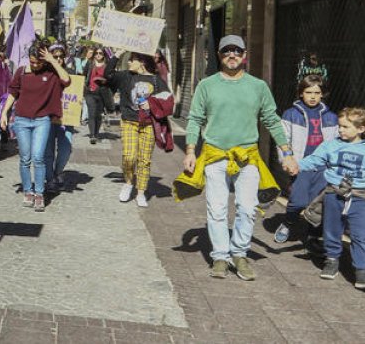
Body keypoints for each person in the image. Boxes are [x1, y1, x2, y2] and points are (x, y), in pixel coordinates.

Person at [179, 35, 299, 282]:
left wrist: (286, 153)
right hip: (214, 156)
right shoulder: (206, 85)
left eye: (236, 51)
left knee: (247, 209)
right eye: (226, 51)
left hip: (248, 157)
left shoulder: (258, 86)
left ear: (244, 55)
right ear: (220, 56)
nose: (231, 55)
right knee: (217, 209)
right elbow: (194, 120)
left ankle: (240, 253)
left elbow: (272, 120)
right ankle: (220, 256)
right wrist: (191, 151)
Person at [298, 107, 365, 288]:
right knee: (331, 229)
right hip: (334, 194)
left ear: (361, 129)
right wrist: (295, 165)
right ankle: (331, 260)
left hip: (360, 198)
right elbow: (315, 160)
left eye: (345, 127)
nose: (340, 130)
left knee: (360, 234)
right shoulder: (330, 145)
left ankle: (362, 270)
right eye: (339, 126)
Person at [0, 40, 70, 212]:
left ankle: (39, 193)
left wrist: (52, 60)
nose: (35, 65)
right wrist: (4, 112)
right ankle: (27, 190)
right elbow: (13, 93)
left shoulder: (51, 72)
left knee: (38, 157)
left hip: (42, 121)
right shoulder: (21, 72)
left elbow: (66, 80)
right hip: (22, 120)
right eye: (32, 61)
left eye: (38, 62)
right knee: (25, 158)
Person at [274, 74, 339, 245]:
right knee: (298, 200)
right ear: (301, 93)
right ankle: (288, 222)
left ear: (322, 94)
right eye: (308, 92)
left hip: (323, 167)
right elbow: (283, 140)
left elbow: (337, 142)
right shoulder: (290, 114)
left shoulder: (331, 117)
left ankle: (313, 235)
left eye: (317, 93)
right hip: (300, 164)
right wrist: (287, 161)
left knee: (318, 202)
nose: (312, 96)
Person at [106, 52, 174, 207]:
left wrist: (152, 104)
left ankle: (141, 192)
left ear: (142, 61)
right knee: (129, 156)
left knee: (144, 160)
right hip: (129, 122)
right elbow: (108, 74)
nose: (129, 62)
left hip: (148, 124)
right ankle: (129, 183)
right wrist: (117, 54)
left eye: (132, 60)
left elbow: (168, 101)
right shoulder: (126, 76)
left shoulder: (156, 80)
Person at [44, 44, 79, 192]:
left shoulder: (70, 73)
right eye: (55, 56)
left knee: (66, 148)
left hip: (66, 118)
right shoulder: (45, 72)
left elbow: (77, 90)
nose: (58, 59)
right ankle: (50, 178)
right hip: (48, 117)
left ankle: (58, 172)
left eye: (61, 57)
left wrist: (79, 101)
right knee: (48, 150)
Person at [82, 49, 115, 145]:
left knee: (98, 114)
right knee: (91, 112)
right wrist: (84, 87)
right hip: (89, 92)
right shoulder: (90, 63)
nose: (98, 55)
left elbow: (111, 79)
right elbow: (84, 75)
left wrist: (105, 81)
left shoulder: (107, 66)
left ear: (104, 55)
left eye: (100, 53)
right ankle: (92, 135)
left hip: (102, 93)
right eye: (96, 53)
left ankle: (96, 133)